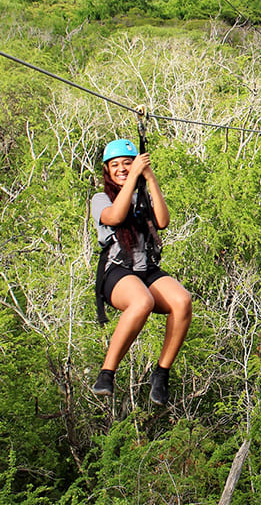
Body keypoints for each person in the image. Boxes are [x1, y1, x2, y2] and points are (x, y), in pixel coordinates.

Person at [90, 138, 192, 405]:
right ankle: (106, 373)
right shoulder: (101, 199)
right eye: (116, 165)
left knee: (182, 302)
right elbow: (114, 217)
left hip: (147, 269)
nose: (122, 168)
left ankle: (161, 375)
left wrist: (149, 177)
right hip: (118, 272)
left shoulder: (143, 195)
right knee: (142, 301)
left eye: (127, 163)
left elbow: (162, 221)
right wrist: (135, 173)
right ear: (107, 170)